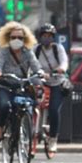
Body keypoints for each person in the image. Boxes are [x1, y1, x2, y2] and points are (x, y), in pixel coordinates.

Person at [0, 21, 44, 144]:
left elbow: (36, 66)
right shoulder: (4, 51)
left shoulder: (28, 52)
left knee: (28, 105)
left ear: (25, 39)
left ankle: (24, 129)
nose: (16, 39)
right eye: (13, 37)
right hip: (5, 86)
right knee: (5, 106)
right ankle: (1, 127)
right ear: (8, 38)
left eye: (20, 37)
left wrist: (41, 73)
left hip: (22, 86)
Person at [33, 23, 69, 154]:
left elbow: (64, 61)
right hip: (41, 82)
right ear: (40, 37)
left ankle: (53, 138)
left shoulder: (57, 48)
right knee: (32, 105)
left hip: (57, 83)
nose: (46, 38)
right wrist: (37, 72)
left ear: (53, 37)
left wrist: (61, 69)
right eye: (44, 35)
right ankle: (31, 131)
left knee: (54, 110)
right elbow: (31, 63)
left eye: (49, 36)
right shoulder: (36, 49)